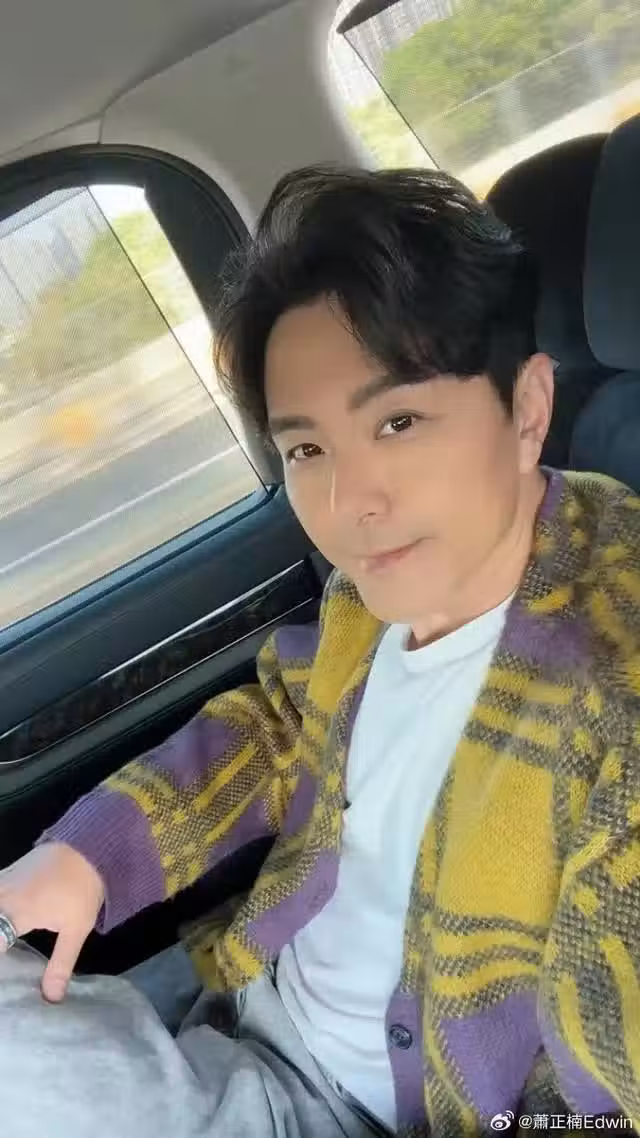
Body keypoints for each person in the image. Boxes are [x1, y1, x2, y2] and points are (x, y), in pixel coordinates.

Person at [0, 166, 639, 1138]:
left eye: (397, 423)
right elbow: (280, 725)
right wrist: (90, 856)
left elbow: (607, 1093)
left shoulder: (612, 681)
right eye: (307, 449)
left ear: (526, 407)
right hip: (242, 987)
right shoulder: (374, 595)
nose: (349, 500)